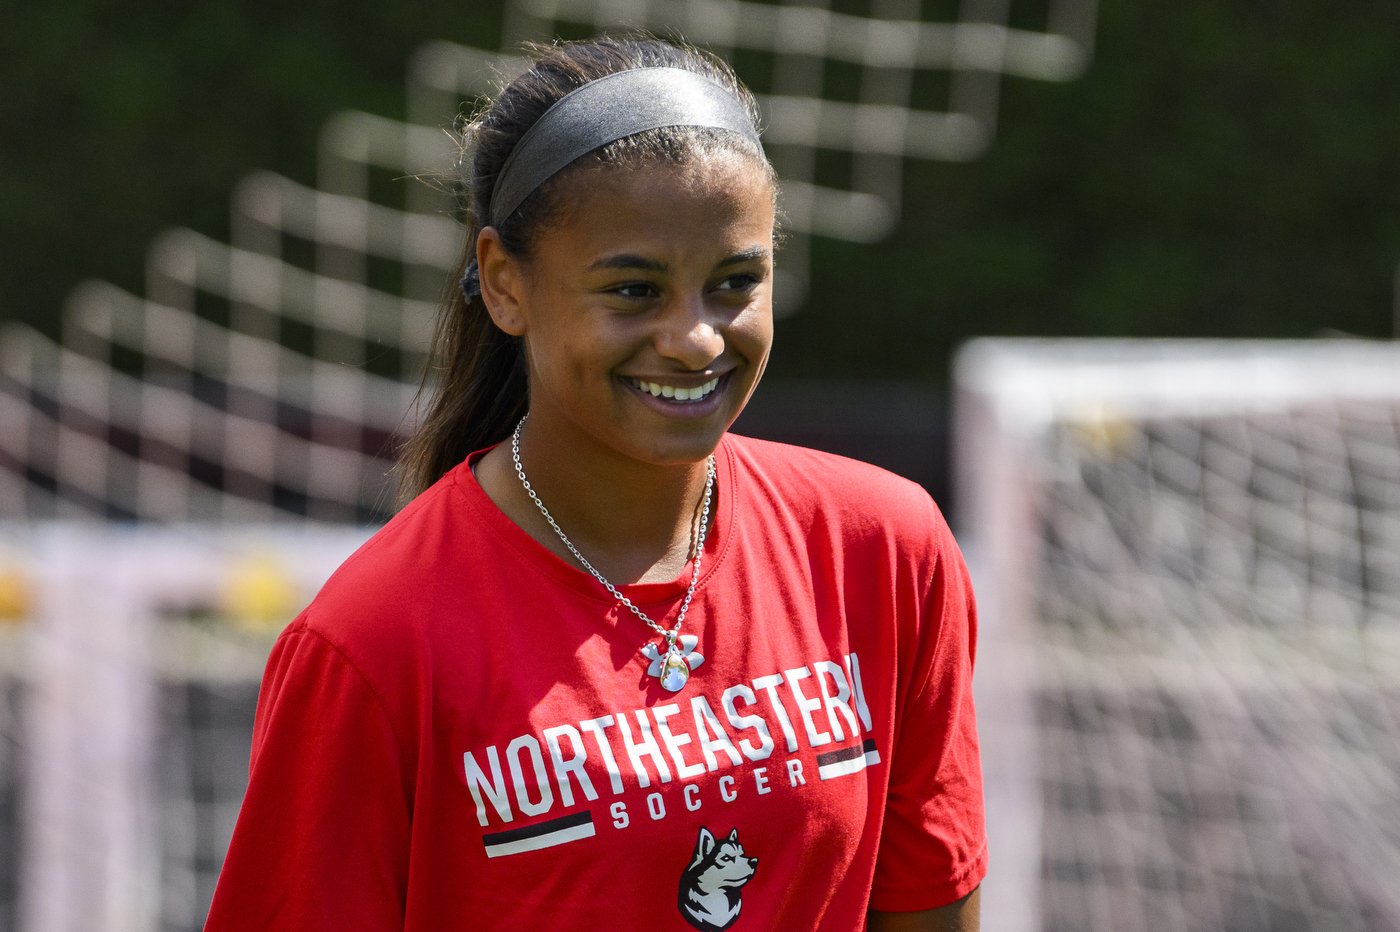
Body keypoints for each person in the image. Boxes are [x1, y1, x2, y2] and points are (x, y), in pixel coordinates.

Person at [205, 36, 985, 932]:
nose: (695, 338)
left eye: (735, 282)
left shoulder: (882, 548)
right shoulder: (373, 641)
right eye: (634, 290)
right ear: (505, 285)